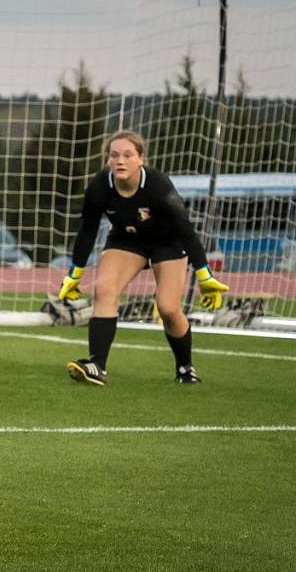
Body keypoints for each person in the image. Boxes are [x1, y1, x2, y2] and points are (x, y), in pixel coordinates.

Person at [57, 130, 230, 386]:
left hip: (167, 243)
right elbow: (88, 230)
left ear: (141, 159)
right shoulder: (99, 186)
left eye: (128, 155)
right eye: (114, 155)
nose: (120, 161)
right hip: (127, 241)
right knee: (104, 289)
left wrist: (204, 274)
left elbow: (185, 227)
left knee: (168, 308)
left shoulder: (158, 185)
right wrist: (75, 274)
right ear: (108, 160)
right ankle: (97, 366)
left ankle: (185, 367)